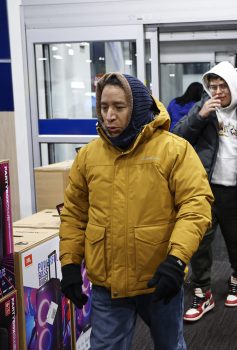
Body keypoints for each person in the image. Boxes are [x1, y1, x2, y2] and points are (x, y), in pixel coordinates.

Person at [59, 72, 213, 349]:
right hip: (108, 284)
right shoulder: (88, 157)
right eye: (104, 107)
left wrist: (177, 260)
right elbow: (74, 213)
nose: (109, 116)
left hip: (160, 279)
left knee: (170, 345)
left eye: (119, 107)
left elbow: (195, 206)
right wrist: (69, 263)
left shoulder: (174, 150)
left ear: (138, 107)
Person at [173, 61, 237, 322]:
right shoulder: (202, 109)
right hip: (205, 190)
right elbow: (178, 139)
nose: (217, 92)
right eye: (212, 87)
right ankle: (202, 292)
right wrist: (200, 117)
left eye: (222, 86)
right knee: (199, 243)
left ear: (233, 85)